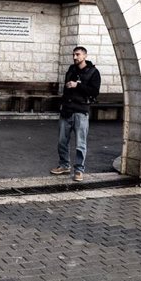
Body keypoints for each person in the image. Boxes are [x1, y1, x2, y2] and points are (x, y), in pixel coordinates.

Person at [50, 46, 101, 182]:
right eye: (73, 55)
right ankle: (64, 165)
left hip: (81, 111)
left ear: (85, 56)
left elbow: (94, 91)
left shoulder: (93, 72)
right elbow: (67, 89)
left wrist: (77, 85)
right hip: (66, 110)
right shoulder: (71, 70)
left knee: (80, 143)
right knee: (62, 141)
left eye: (77, 54)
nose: (75, 57)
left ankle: (79, 170)